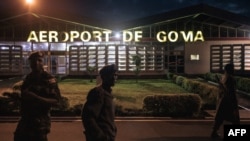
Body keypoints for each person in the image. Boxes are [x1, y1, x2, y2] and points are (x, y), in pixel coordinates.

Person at [14, 51, 62, 141]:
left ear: (42, 62)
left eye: (39, 60)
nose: (36, 63)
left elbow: (57, 101)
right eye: (33, 61)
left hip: (40, 121)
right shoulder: (28, 78)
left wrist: (36, 97)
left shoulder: (48, 79)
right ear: (30, 63)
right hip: (26, 120)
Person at [81, 64, 118, 141]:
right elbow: (88, 117)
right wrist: (100, 135)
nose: (115, 77)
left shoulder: (108, 93)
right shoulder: (98, 93)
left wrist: (113, 129)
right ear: (104, 77)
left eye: (116, 75)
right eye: (112, 75)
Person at [211, 63, 240, 138]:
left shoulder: (224, 77)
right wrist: (235, 104)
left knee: (220, 118)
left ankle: (214, 133)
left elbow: (221, 91)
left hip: (223, 101)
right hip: (229, 102)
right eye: (233, 68)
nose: (234, 70)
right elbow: (232, 92)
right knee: (235, 119)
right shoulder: (230, 78)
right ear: (230, 70)